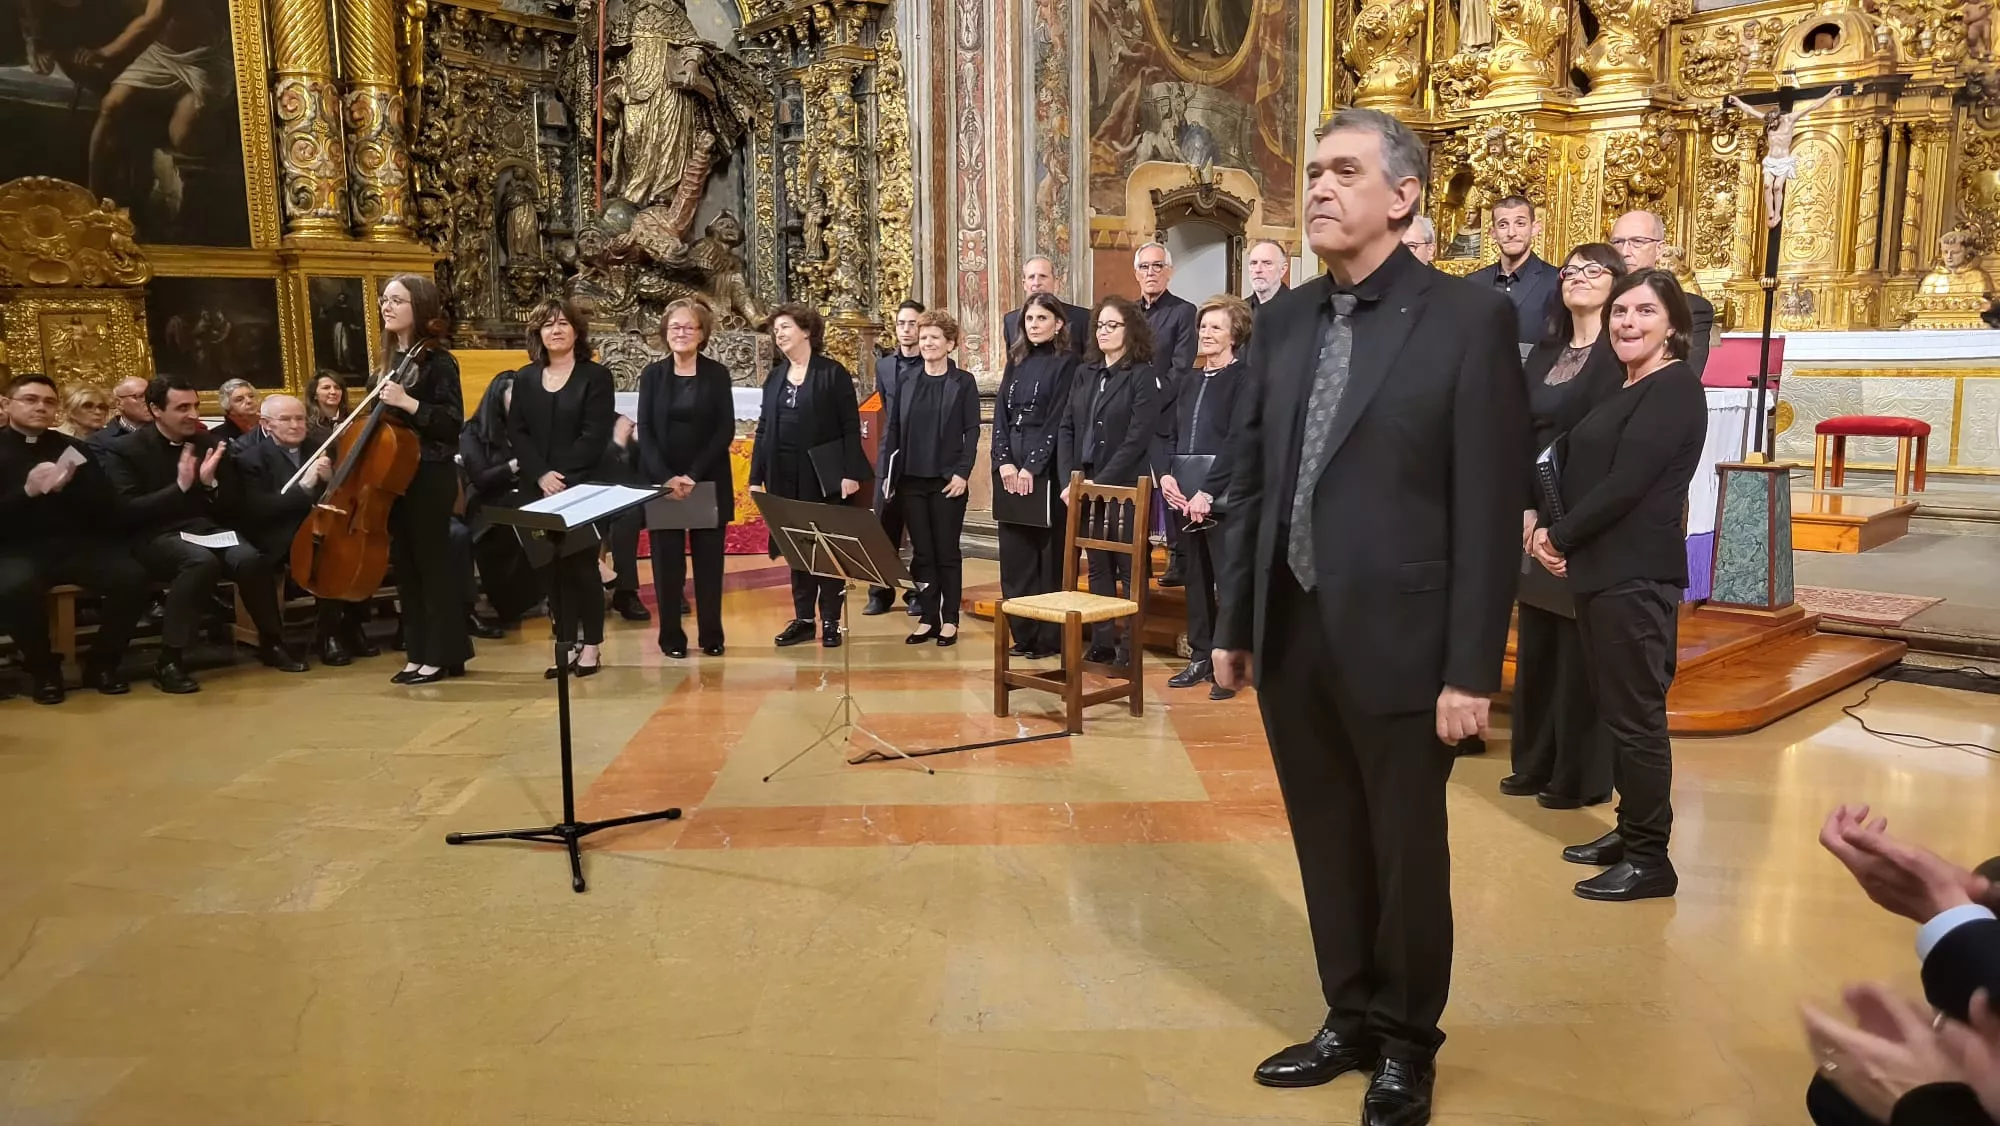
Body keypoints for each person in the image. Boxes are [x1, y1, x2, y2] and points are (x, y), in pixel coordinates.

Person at [1212, 108, 1529, 1125]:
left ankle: (1405, 1042)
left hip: (1406, 640)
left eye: (1341, 171)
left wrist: (1470, 667)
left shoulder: (1464, 320)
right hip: (1294, 631)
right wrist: (1232, 622)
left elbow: (1487, 504)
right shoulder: (1290, 317)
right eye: (1310, 171)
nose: (1315, 188)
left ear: (1400, 196)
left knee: (1403, 848)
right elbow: (1254, 482)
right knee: (1324, 839)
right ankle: (1345, 1012)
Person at [1528, 268, 1707, 902]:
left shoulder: (1674, 389)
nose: (1627, 323)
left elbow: (1627, 484)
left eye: (1644, 313)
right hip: (1604, 573)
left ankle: (1651, 860)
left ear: (1673, 325)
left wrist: (1560, 535)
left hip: (1636, 575)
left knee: (1637, 721)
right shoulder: (1625, 386)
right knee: (1617, 712)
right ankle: (1631, 833)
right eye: (1620, 313)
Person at [1505, 242, 1627, 810]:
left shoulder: (1619, 355)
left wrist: (1565, 527)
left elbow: (1607, 444)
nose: (1577, 278)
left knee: (1581, 650)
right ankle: (1534, 762)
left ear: (1617, 283)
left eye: (1593, 270)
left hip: (1587, 515)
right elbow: (1521, 434)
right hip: (1537, 510)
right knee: (1539, 644)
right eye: (1571, 270)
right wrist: (1528, 516)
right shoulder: (1543, 353)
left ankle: (1578, 775)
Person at [102, 375, 308, 692]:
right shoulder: (124, 450)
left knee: (251, 558)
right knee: (199, 563)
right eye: (182, 407)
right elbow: (127, 510)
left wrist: (210, 485)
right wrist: (182, 487)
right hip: (154, 535)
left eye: (195, 406)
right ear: (156, 409)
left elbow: (233, 507)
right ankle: (169, 659)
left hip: (205, 529)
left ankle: (272, 642)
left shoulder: (208, 444)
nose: (193, 415)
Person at [0, 373, 149, 703]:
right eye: (31, 399)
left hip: (75, 545)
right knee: (11, 588)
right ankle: (43, 670)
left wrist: (68, 489)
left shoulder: (74, 448)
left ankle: (103, 662)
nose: (41, 407)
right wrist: (27, 492)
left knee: (134, 579)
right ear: (7, 404)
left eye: (49, 402)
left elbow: (106, 507)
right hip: (16, 549)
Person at [748, 303, 869, 648]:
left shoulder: (832, 373)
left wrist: (849, 471)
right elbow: (763, 429)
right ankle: (803, 618)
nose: (779, 334)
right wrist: (757, 476)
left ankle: (830, 620)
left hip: (822, 474)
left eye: (785, 327)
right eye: (776, 329)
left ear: (806, 331)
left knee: (826, 549)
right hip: (783, 474)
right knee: (796, 548)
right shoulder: (775, 377)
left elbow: (850, 427)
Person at [509, 297, 617, 679]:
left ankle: (592, 647)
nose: (556, 330)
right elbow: (517, 433)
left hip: (581, 487)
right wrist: (540, 475)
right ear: (538, 333)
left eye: (563, 324)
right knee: (550, 570)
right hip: (536, 488)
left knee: (582, 568)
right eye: (548, 324)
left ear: (576, 331)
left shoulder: (595, 377)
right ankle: (565, 641)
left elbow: (595, 434)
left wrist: (562, 477)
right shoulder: (524, 378)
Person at [230, 394, 378, 667]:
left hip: (322, 525)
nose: (295, 425)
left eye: (299, 418)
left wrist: (332, 479)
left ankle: (346, 628)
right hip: (277, 534)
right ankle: (306, 638)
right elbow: (259, 510)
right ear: (266, 424)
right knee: (328, 555)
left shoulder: (322, 447)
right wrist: (305, 485)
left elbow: (344, 492)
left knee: (357, 550)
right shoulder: (248, 459)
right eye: (285, 419)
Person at [375, 274, 473, 686]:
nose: (387, 306)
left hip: (428, 472)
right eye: (384, 299)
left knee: (433, 566)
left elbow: (452, 424)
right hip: (392, 475)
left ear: (420, 306)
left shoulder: (438, 360)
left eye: (397, 300)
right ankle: (419, 652)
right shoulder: (388, 359)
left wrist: (406, 401)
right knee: (408, 567)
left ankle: (441, 653)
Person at [1057, 294, 1163, 663]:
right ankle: (1102, 640)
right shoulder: (1085, 373)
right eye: (1100, 325)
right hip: (1086, 483)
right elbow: (1068, 425)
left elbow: (1138, 437)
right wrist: (1071, 479)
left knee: (1129, 567)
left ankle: (1130, 645)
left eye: (1112, 325)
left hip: (1124, 486)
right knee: (1099, 564)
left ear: (1130, 329)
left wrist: (1099, 483)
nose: (1103, 331)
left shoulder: (1142, 375)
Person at [1161, 295, 1252, 700]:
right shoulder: (1189, 380)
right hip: (1183, 497)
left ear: (1235, 334)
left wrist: (1208, 491)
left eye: (1216, 327)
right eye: (1203, 327)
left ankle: (1226, 666)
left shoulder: (1246, 378)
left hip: (1223, 497)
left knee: (1227, 585)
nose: (1206, 333)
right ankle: (1199, 655)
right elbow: (1162, 432)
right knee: (1195, 580)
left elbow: (1239, 440)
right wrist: (1165, 475)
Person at [638, 298, 737, 658]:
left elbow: (724, 428)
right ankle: (671, 638)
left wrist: (692, 475)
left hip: (706, 479)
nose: (681, 333)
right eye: (674, 327)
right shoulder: (652, 375)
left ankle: (712, 635)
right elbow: (645, 430)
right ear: (665, 333)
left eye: (689, 327)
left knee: (709, 565)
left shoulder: (717, 374)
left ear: (702, 333)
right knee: (667, 567)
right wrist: (667, 476)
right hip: (663, 484)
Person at [880, 309, 981, 646]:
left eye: (934, 337)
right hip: (911, 479)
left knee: (946, 551)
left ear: (950, 343)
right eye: (923, 338)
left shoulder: (962, 382)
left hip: (946, 480)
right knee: (922, 553)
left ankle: (950, 619)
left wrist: (963, 473)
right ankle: (928, 617)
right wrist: (888, 476)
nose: (926, 343)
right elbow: (893, 429)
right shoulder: (906, 381)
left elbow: (971, 430)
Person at [993, 292, 1080, 659]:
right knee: (1015, 556)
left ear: (1058, 323)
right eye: (1029, 319)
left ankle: (1048, 638)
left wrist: (1032, 465)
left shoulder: (1068, 363)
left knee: (1047, 556)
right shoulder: (1017, 359)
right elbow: (1000, 413)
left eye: (1042, 319)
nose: (1034, 325)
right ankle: (1023, 634)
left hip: (1045, 470)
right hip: (1011, 467)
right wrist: (1004, 462)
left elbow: (1059, 418)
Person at [1135, 242, 1198, 586]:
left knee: (1171, 486)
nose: (1151, 273)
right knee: (1136, 485)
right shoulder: (1129, 314)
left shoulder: (1184, 311)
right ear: (1136, 273)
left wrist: (1152, 399)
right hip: (1132, 416)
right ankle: (1137, 555)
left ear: (1169, 271)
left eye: (1157, 266)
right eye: (1144, 267)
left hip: (1168, 414)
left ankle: (1179, 557)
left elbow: (1181, 366)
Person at [458, 372, 542, 626]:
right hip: (487, 507)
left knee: (552, 517)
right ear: (498, 397)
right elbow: (481, 478)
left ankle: (561, 598)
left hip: (522, 501)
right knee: (533, 518)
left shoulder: (526, 429)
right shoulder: (473, 432)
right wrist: (518, 463)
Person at [867, 300, 924, 616]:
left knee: (917, 526)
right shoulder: (885, 366)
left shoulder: (930, 363)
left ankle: (916, 592)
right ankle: (880, 591)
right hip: (890, 453)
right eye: (901, 323)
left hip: (920, 454)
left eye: (912, 323)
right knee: (882, 523)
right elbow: (887, 410)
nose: (906, 329)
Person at [1609, 210, 1716, 376]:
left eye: (1637, 242)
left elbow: (1685, 375)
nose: (1624, 252)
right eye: (1617, 242)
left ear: (1659, 249)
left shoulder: (1691, 307)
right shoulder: (1595, 301)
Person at [1467, 196, 1559, 346]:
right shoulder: (1473, 283)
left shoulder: (1555, 281)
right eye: (1503, 225)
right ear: (1492, 233)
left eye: (1520, 223)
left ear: (1535, 228)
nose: (1511, 232)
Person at [1001, 256, 1091, 355]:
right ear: (1024, 284)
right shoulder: (1011, 320)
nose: (1036, 283)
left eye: (1043, 276)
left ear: (1056, 282)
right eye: (1031, 277)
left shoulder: (1083, 318)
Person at [92, 376, 155, 447]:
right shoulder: (100, 441)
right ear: (118, 403)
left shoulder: (166, 430)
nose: (149, 401)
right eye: (140, 396)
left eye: (150, 395)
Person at [305, 372, 351, 448]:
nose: (333, 392)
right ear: (315, 395)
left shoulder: (353, 418)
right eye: (326, 388)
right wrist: (337, 438)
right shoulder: (306, 424)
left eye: (337, 388)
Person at [210, 378, 260, 443]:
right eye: (240, 399)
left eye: (251, 396)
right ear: (227, 407)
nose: (249, 401)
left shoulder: (270, 426)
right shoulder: (218, 435)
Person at [1246, 240, 1291, 309]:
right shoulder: (1240, 310)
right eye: (1254, 263)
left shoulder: (1299, 307)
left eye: (1267, 263)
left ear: (1283, 269)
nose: (1258, 270)